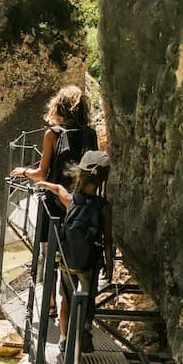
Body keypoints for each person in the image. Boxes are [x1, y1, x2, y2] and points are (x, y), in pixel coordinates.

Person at [10, 85, 98, 315]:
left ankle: (49, 306)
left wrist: (23, 171)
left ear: (60, 108)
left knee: (49, 254)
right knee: (73, 252)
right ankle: (75, 306)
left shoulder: (53, 134)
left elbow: (41, 173)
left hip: (53, 204)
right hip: (81, 205)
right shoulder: (90, 133)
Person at [39, 150, 113, 353]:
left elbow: (57, 189)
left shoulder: (71, 200)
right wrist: (110, 265)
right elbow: (108, 240)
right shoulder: (103, 207)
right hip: (89, 263)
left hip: (67, 261)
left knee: (67, 299)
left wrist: (44, 184)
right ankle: (86, 330)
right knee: (88, 297)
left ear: (80, 175)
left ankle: (63, 339)